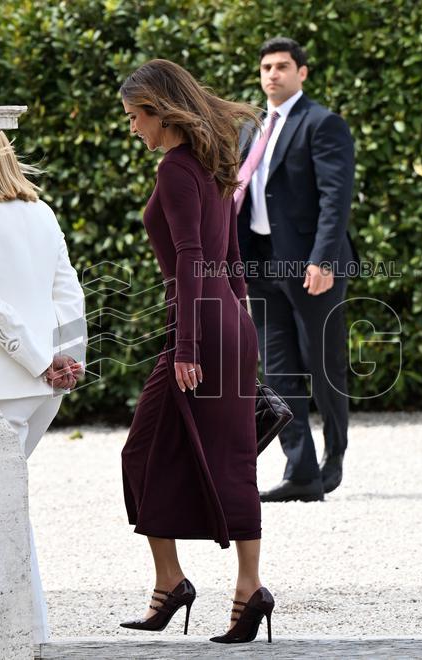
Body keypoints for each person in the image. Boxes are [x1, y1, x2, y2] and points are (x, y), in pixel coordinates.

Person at [118, 59, 275, 644]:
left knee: (140, 453)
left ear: (160, 112)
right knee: (234, 459)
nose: (134, 127)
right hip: (231, 323)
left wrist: (186, 343)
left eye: (136, 117)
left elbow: (189, 256)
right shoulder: (215, 165)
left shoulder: (176, 170)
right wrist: (243, 327)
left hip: (200, 331)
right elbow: (230, 259)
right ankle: (246, 589)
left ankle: (172, 581)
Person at [235, 37, 357, 502]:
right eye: (266, 66)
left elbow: (335, 198)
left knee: (324, 367)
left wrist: (323, 259)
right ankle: (301, 470)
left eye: (282, 66)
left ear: (301, 72)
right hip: (261, 262)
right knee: (278, 370)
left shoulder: (323, 124)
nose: (272, 74)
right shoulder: (251, 129)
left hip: (311, 266)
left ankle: (334, 458)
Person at [0, 131, 85, 644]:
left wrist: (39, 360)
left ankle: (23, 634)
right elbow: (69, 294)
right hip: (44, 388)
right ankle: (32, 631)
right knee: (9, 504)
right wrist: (68, 361)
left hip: (4, 383)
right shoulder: (41, 212)